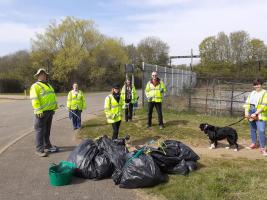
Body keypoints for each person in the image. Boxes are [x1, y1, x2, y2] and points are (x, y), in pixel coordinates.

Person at [30, 68, 58, 157]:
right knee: (39, 131)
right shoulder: (35, 86)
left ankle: (47, 145)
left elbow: (52, 97)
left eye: (44, 74)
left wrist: (54, 109)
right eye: (41, 74)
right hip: (41, 112)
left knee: (47, 130)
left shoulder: (48, 85)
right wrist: (38, 110)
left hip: (49, 111)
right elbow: (34, 99)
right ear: (38, 76)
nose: (43, 75)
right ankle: (39, 149)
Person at [243, 79, 267, 156]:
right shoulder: (252, 93)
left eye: (258, 84)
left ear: (261, 85)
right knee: (252, 129)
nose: (257, 86)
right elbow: (247, 103)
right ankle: (254, 143)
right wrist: (246, 112)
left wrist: (256, 113)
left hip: (260, 114)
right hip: (251, 111)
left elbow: (264, 105)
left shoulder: (265, 93)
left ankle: (262, 148)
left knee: (261, 130)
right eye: (255, 85)